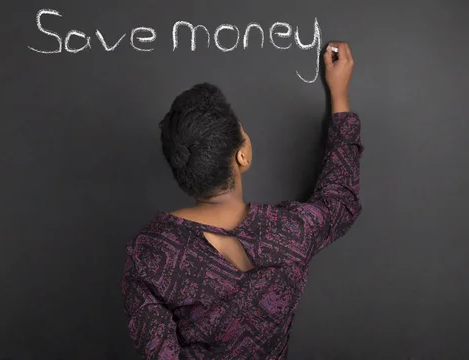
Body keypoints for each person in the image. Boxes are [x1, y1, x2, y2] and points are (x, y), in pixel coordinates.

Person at [121, 42, 362, 359]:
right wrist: (340, 96)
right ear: (242, 155)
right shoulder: (291, 232)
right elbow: (339, 200)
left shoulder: (151, 254)